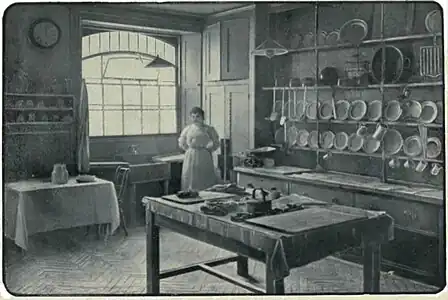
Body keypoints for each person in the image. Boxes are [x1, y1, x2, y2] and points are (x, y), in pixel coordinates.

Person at [178, 107, 220, 191]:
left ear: (202, 117)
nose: (195, 119)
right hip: (190, 155)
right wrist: (189, 149)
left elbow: (216, 142)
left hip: (203, 155)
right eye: (193, 117)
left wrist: (208, 150)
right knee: (190, 176)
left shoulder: (208, 129)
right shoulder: (188, 129)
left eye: (197, 116)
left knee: (203, 177)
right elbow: (182, 142)